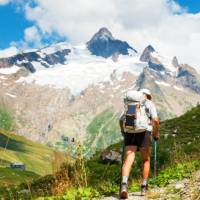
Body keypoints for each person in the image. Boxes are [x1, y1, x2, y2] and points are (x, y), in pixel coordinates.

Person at [119, 88, 160, 199]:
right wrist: (156, 134)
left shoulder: (130, 104)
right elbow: (155, 120)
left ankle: (123, 186)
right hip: (143, 132)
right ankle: (144, 187)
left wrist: (124, 132)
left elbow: (121, 120)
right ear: (147, 96)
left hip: (130, 132)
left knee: (128, 160)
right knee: (145, 160)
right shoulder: (149, 103)